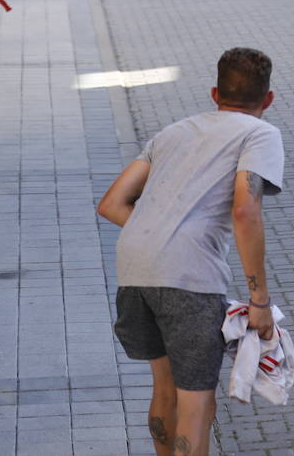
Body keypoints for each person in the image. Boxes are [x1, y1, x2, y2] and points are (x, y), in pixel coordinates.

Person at [97, 47, 284, 456]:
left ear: (215, 94)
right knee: (196, 400)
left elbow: (111, 204)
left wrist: (163, 231)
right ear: (268, 99)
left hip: (135, 271)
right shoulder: (259, 134)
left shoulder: (173, 132)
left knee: (164, 387)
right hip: (189, 281)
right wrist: (259, 300)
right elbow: (244, 210)